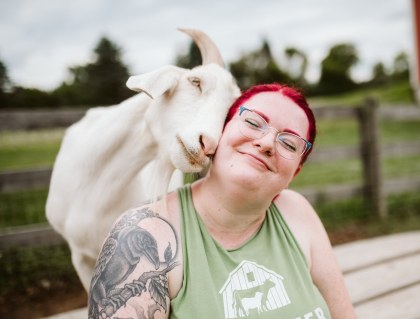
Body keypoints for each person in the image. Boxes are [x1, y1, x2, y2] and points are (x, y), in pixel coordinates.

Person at [88, 83, 356, 319]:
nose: (267, 143)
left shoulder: (296, 211)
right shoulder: (147, 233)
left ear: (294, 172)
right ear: (219, 132)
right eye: (253, 122)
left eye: (289, 143)